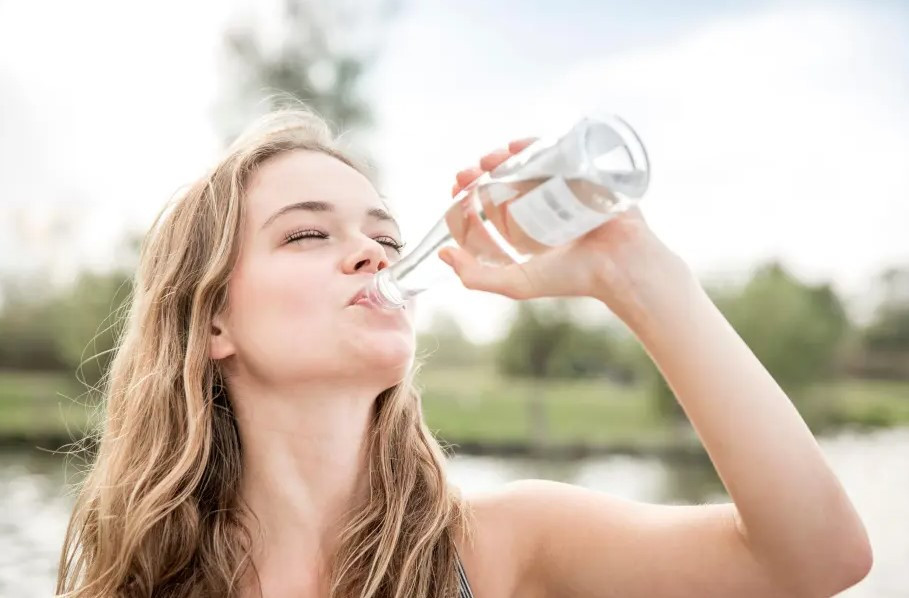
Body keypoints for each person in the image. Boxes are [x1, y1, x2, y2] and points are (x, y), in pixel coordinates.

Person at [57, 108, 872, 598]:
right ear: (211, 326)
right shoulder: (137, 579)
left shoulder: (501, 546)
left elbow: (814, 560)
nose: (371, 254)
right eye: (308, 233)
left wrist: (634, 272)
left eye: (385, 236)